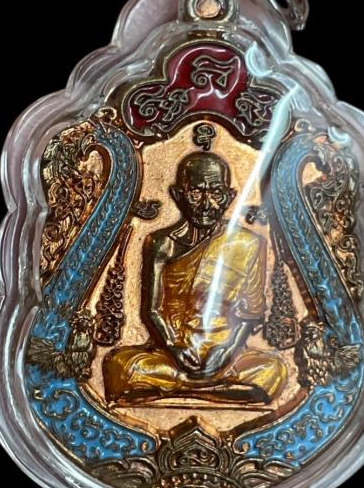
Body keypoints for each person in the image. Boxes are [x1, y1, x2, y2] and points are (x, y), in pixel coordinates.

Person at [103, 151, 287, 404]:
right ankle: (217, 391)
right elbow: (152, 310)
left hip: (225, 352)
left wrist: (227, 351)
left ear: (229, 196)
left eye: (216, 193)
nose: (206, 204)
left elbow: (251, 312)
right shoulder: (162, 244)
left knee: (273, 370)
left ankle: (179, 389)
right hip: (172, 353)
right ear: (178, 195)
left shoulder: (248, 243)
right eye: (196, 192)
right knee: (121, 366)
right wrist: (174, 348)